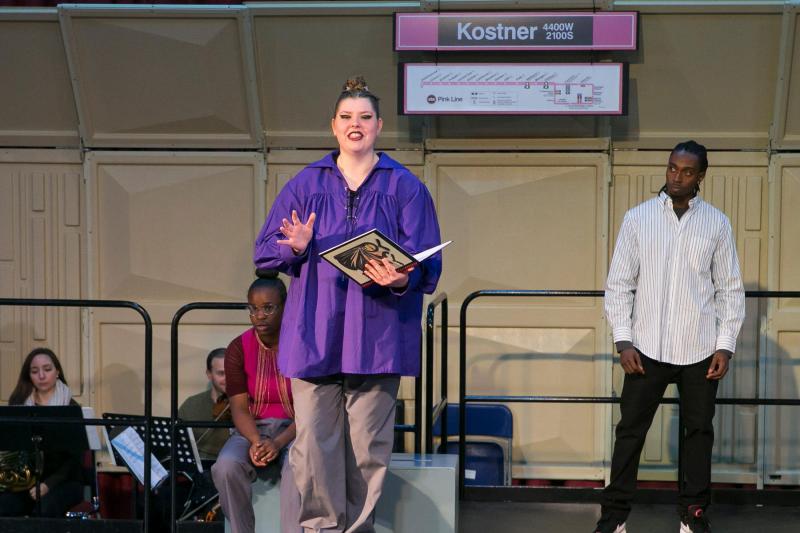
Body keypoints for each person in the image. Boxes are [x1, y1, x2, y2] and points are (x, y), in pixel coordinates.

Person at [253, 76, 442, 532]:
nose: (355, 125)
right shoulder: (305, 183)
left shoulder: (405, 187)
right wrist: (293, 249)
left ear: (379, 125)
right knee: (314, 449)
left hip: (378, 338)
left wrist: (402, 276)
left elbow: (427, 264)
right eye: (346, 117)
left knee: (366, 451)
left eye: (364, 117)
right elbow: (264, 251)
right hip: (315, 333)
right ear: (333, 126)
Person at [595, 141, 746, 533]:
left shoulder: (717, 223)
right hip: (645, 349)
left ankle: (692, 514)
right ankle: (614, 519)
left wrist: (724, 345)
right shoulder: (638, 219)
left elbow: (730, 289)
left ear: (701, 176)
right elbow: (619, 284)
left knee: (698, 434)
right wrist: (624, 341)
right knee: (630, 433)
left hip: (699, 349)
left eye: (686, 171)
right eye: (672, 169)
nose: (677, 177)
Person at [211, 271, 301, 533]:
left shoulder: (302, 343)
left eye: (268, 308)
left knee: (298, 465)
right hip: (254, 428)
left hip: (297, 429)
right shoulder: (238, 347)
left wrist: (279, 442)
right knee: (225, 466)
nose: (259, 316)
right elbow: (238, 407)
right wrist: (256, 441)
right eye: (253, 309)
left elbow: (312, 409)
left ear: (285, 306)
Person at [0, 347, 84, 517]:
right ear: (28, 376)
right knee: (5, 505)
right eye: (34, 371)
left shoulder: (71, 408)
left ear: (57, 372)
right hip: (25, 482)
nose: (42, 376)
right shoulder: (18, 402)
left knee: (45, 508)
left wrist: (47, 485)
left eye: (47, 369)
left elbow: (74, 460)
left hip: (63, 481)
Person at [179, 347, 230, 462]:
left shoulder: (247, 403)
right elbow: (178, 442)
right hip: (198, 468)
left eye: (231, 372)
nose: (228, 379)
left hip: (232, 467)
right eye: (221, 373)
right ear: (209, 374)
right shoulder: (191, 405)